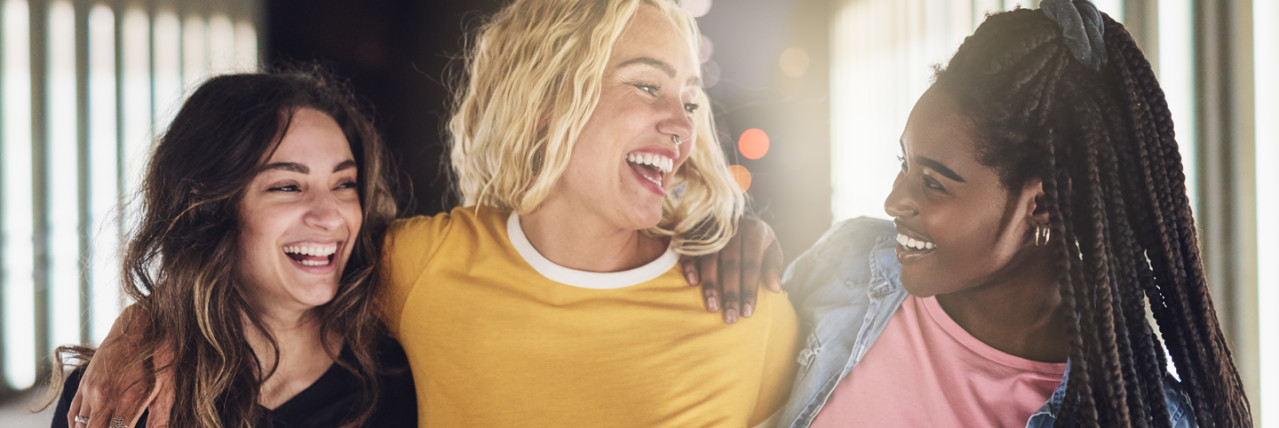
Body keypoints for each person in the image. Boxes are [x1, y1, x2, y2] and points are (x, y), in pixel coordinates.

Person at [70, 0, 796, 427]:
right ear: (547, 105)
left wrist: (741, 235)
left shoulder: (745, 307)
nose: (684, 124)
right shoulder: (419, 267)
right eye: (647, 87)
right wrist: (148, 322)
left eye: (691, 100)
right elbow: (261, 277)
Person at [776, 1, 1251, 427]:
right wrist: (728, 245)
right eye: (905, 164)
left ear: (1041, 204)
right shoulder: (850, 261)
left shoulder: (1135, 414)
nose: (893, 201)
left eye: (933, 183)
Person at [49, 70, 417, 428]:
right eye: (288, 186)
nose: (331, 216)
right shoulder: (117, 394)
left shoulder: (398, 380)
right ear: (212, 207)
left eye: (344, 183)